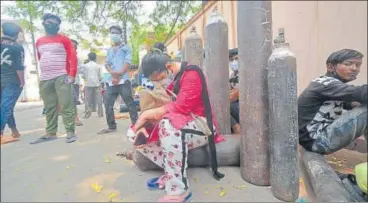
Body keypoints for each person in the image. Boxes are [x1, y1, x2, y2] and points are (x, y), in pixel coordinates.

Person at [132, 49, 225, 202]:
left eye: (159, 78)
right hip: (184, 122)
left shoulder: (192, 74)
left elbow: (181, 107)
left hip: (202, 125)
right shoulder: (175, 79)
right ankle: (170, 174)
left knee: (169, 126)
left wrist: (148, 114)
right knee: (136, 131)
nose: (159, 83)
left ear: (168, 68)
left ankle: (178, 189)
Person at [298, 49, 367, 155]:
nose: (354, 68)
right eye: (348, 64)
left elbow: (345, 102)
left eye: (358, 65)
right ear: (331, 67)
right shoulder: (326, 84)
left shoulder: (328, 85)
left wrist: (355, 105)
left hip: (314, 139)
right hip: (316, 141)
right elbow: (360, 92)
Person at [30, 13, 78, 144]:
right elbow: (41, 58)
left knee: (66, 104)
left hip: (61, 76)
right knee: (49, 107)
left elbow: (72, 57)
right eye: (48, 22)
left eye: (55, 23)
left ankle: (70, 132)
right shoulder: (39, 41)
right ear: (43, 23)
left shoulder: (64, 39)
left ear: (58, 26)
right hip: (45, 78)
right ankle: (50, 133)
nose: (51, 24)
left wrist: (71, 75)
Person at [98, 25, 138, 134]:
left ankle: (137, 126)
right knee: (107, 103)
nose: (113, 35)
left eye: (115, 32)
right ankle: (111, 126)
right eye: (112, 33)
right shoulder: (110, 50)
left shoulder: (126, 48)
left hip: (123, 80)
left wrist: (119, 74)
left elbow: (127, 62)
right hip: (112, 81)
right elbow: (107, 64)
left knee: (130, 103)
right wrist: (113, 74)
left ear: (120, 34)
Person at [1, 22, 25, 145]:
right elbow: (19, 67)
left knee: (5, 106)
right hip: (11, 80)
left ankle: (14, 131)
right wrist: (22, 81)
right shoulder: (17, 47)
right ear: (16, 34)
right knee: (5, 107)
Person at [82, 52, 103, 118]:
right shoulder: (98, 66)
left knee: (88, 99)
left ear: (88, 58)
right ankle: (100, 113)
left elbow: (83, 76)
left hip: (88, 84)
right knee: (99, 99)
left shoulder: (85, 66)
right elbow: (101, 76)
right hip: (97, 83)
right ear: (95, 58)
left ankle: (88, 113)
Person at [71, 39, 83, 126]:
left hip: (74, 81)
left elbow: (80, 70)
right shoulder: (62, 56)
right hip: (64, 81)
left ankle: (75, 117)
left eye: (74, 47)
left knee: (74, 100)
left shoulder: (77, 58)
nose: (72, 48)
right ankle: (74, 118)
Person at [228, 48, 240, 134]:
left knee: (228, 106)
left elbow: (233, 96)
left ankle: (236, 128)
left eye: (236, 58)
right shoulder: (232, 76)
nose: (234, 62)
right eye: (231, 60)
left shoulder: (246, 72)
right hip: (237, 105)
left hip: (245, 107)